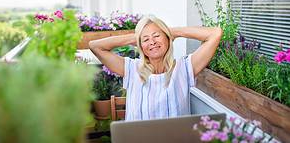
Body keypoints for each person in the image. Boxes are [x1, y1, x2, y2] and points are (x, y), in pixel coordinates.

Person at [89, 15, 223, 121]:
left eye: (157, 36)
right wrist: (135, 37)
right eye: (146, 39)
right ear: (140, 45)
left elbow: (215, 34)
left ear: (167, 38)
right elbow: (95, 46)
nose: (152, 42)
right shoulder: (131, 68)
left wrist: (174, 32)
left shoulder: (185, 67)